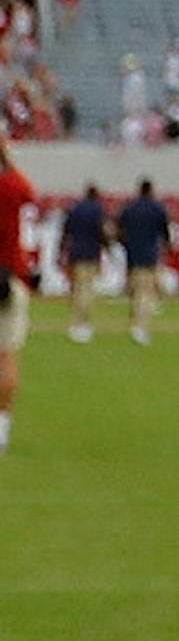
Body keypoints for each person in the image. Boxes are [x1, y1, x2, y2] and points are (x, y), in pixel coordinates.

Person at [0, 130, 36, 448]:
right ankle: (2, 424)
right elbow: (29, 193)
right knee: (7, 354)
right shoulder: (12, 185)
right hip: (9, 275)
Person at [115, 176, 173, 344]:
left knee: (135, 289)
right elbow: (165, 231)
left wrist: (125, 245)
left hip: (132, 254)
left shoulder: (129, 208)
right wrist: (166, 246)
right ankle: (139, 327)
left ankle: (135, 319)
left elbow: (119, 230)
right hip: (149, 254)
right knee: (144, 291)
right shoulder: (157, 208)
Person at [60, 179, 108, 341]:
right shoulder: (98, 210)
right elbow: (101, 231)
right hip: (91, 253)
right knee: (86, 288)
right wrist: (107, 247)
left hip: (75, 253)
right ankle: (82, 322)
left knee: (76, 287)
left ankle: (76, 321)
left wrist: (61, 252)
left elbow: (66, 232)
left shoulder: (74, 209)